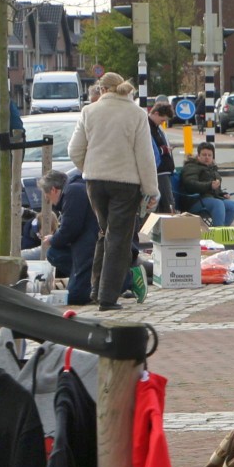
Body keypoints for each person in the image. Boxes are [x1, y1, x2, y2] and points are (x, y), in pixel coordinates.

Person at [66, 72, 155, 312]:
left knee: (104, 233)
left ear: (102, 89)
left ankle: (94, 289)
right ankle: (107, 297)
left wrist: (91, 169)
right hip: (125, 184)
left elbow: (74, 150)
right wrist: (151, 190)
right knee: (118, 239)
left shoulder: (89, 111)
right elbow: (145, 156)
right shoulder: (136, 114)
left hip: (95, 182)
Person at [39, 169, 135, 306]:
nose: (51, 203)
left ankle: (125, 279)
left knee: (75, 297)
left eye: (48, 198)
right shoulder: (76, 188)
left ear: (54, 190)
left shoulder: (73, 193)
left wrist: (53, 239)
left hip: (90, 247)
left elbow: (70, 229)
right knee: (54, 253)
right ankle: (115, 278)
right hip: (92, 242)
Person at [176, 142, 234, 227]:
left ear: (213, 157)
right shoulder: (191, 167)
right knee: (218, 203)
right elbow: (190, 184)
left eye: (209, 155)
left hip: (209, 199)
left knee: (233, 205)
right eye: (204, 155)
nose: (207, 157)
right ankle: (218, 233)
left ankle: (221, 230)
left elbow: (215, 189)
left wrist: (223, 194)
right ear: (198, 156)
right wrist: (209, 185)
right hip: (194, 200)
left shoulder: (212, 169)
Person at [146, 102, 177, 213]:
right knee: (167, 204)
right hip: (160, 171)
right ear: (156, 113)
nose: (162, 123)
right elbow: (148, 150)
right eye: (162, 120)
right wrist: (163, 150)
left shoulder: (155, 127)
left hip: (163, 170)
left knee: (162, 204)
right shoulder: (147, 127)